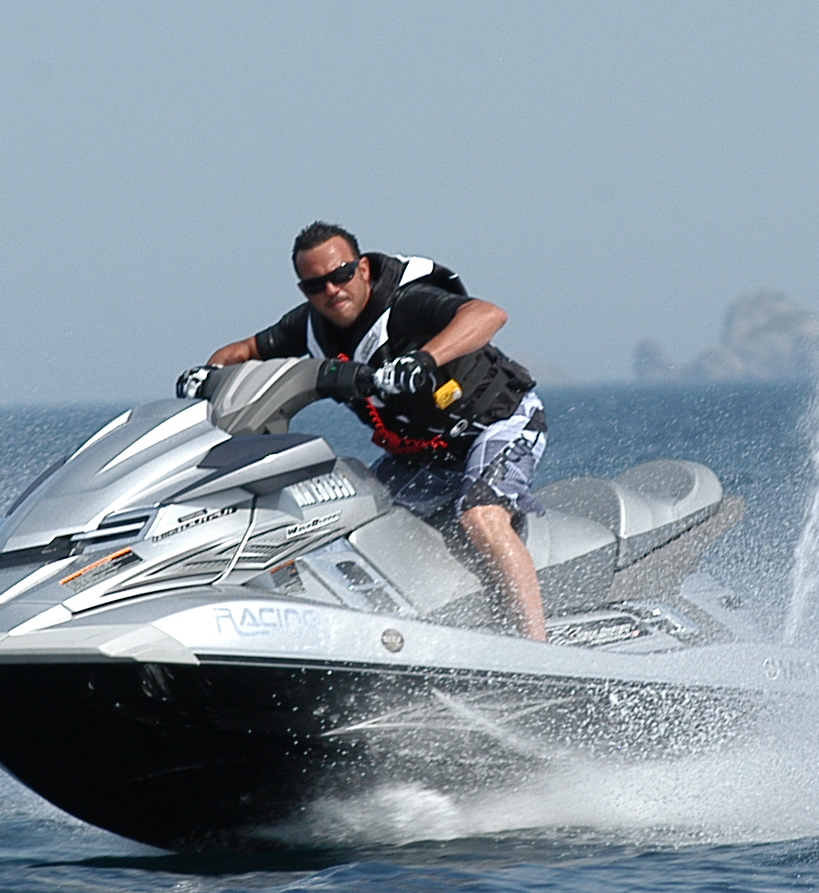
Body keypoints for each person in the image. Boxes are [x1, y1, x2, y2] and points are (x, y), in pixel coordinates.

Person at [189, 222, 549, 641]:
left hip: (497, 423)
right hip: (423, 452)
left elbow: (488, 314)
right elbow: (242, 353)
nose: (331, 291)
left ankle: (536, 646)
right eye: (315, 285)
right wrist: (210, 375)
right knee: (345, 519)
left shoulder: (408, 303)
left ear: (361, 270)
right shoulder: (308, 328)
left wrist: (424, 360)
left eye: (340, 275)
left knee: (480, 516)